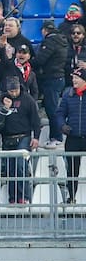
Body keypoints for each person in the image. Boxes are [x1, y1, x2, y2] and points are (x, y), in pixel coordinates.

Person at [56, 68, 86, 202]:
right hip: (73, 137)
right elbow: (60, 114)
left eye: (76, 78)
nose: (73, 80)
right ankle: (71, 197)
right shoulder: (68, 95)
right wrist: (62, 125)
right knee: (72, 170)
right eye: (73, 77)